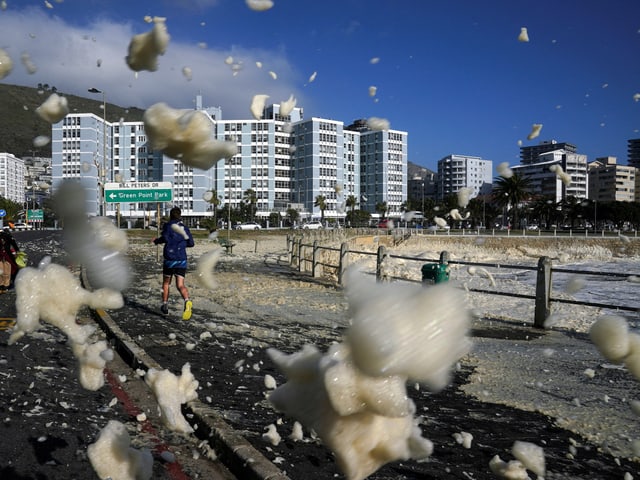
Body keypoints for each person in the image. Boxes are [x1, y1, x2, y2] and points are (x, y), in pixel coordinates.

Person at [152, 207, 195, 320]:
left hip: (170, 258)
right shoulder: (184, 228)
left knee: (166, 282)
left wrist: (156, 241)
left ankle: (165, 305)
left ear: (170, 215)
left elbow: (165, 238)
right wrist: (181, 244)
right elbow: (191, 243)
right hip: (181, 258)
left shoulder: (168, 226)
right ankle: (187, 300)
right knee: (180, 284)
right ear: (180, 215)